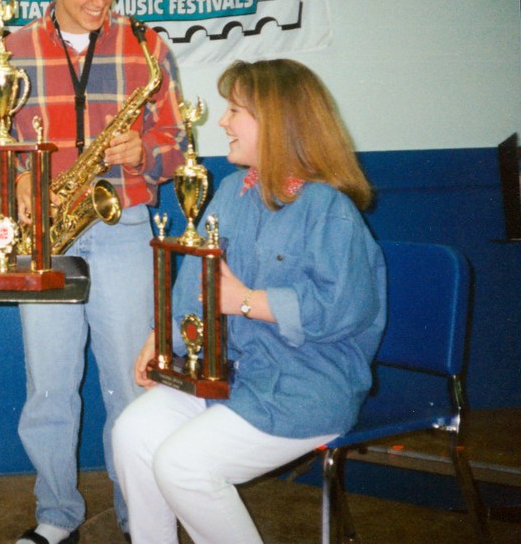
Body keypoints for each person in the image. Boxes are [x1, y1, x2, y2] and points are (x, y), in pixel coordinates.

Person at [112, 59, 387, 544]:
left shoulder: (328, 209)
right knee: (133, 432)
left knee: (184, 465)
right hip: (235, 376)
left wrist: (244, 301)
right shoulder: (232, 195)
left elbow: (343, 310)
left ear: (277, 123)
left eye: (235, 110)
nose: (221, 121)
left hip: (306, 387)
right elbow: (192, 285)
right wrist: (162, 337)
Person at [0, 0, 186, 544]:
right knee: (49, 388)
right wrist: (10, 182)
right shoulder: (12, 49)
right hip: (45, 231)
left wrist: (141, 152)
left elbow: (178, 144)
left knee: (132, 386)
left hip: (124, 225)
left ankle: (140, 519)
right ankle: (56, 514)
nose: (102, 1)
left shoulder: (146, 46)